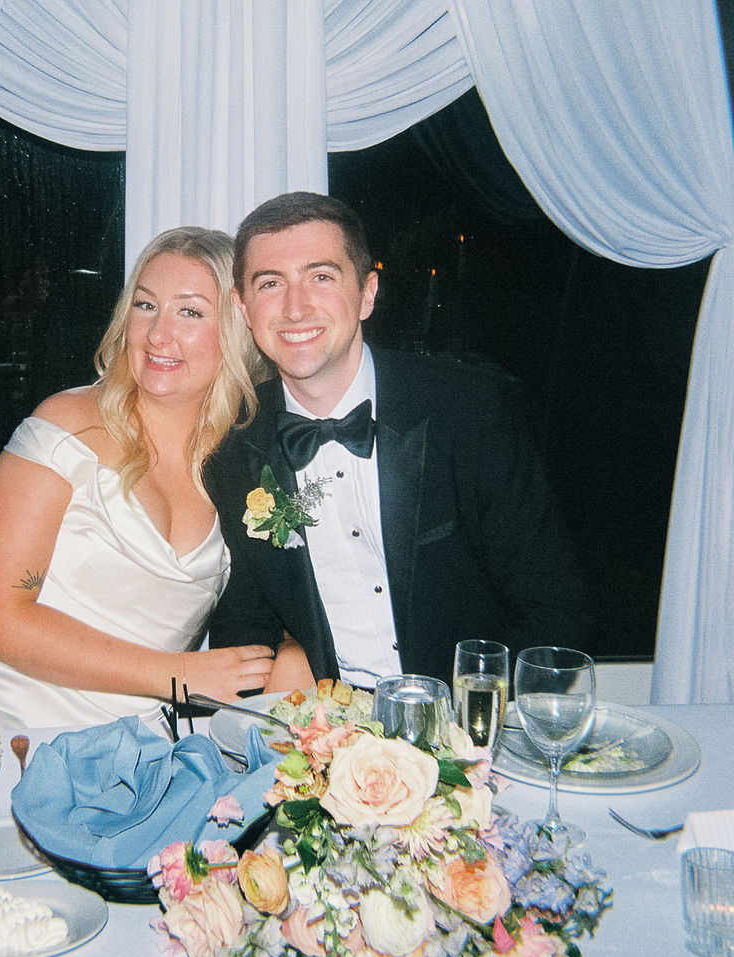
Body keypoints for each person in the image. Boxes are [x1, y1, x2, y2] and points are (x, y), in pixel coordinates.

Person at [207, 192, 592, 690]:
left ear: (367, 293)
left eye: (321, 277)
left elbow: (556, 610)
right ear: (243, 306)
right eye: (270, 284)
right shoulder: (235, 446)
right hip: (329, 730)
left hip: (463, 727)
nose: (295, 307)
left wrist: (468, 735)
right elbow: (247, 622)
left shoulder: (468, 410)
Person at [0, 227, 274, 733]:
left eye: (190, 312)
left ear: (237, 330)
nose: (158, 335)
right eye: (145, 305)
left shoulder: (246, 463)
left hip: (130, 750)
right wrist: (178, 676)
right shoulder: (66, 425)